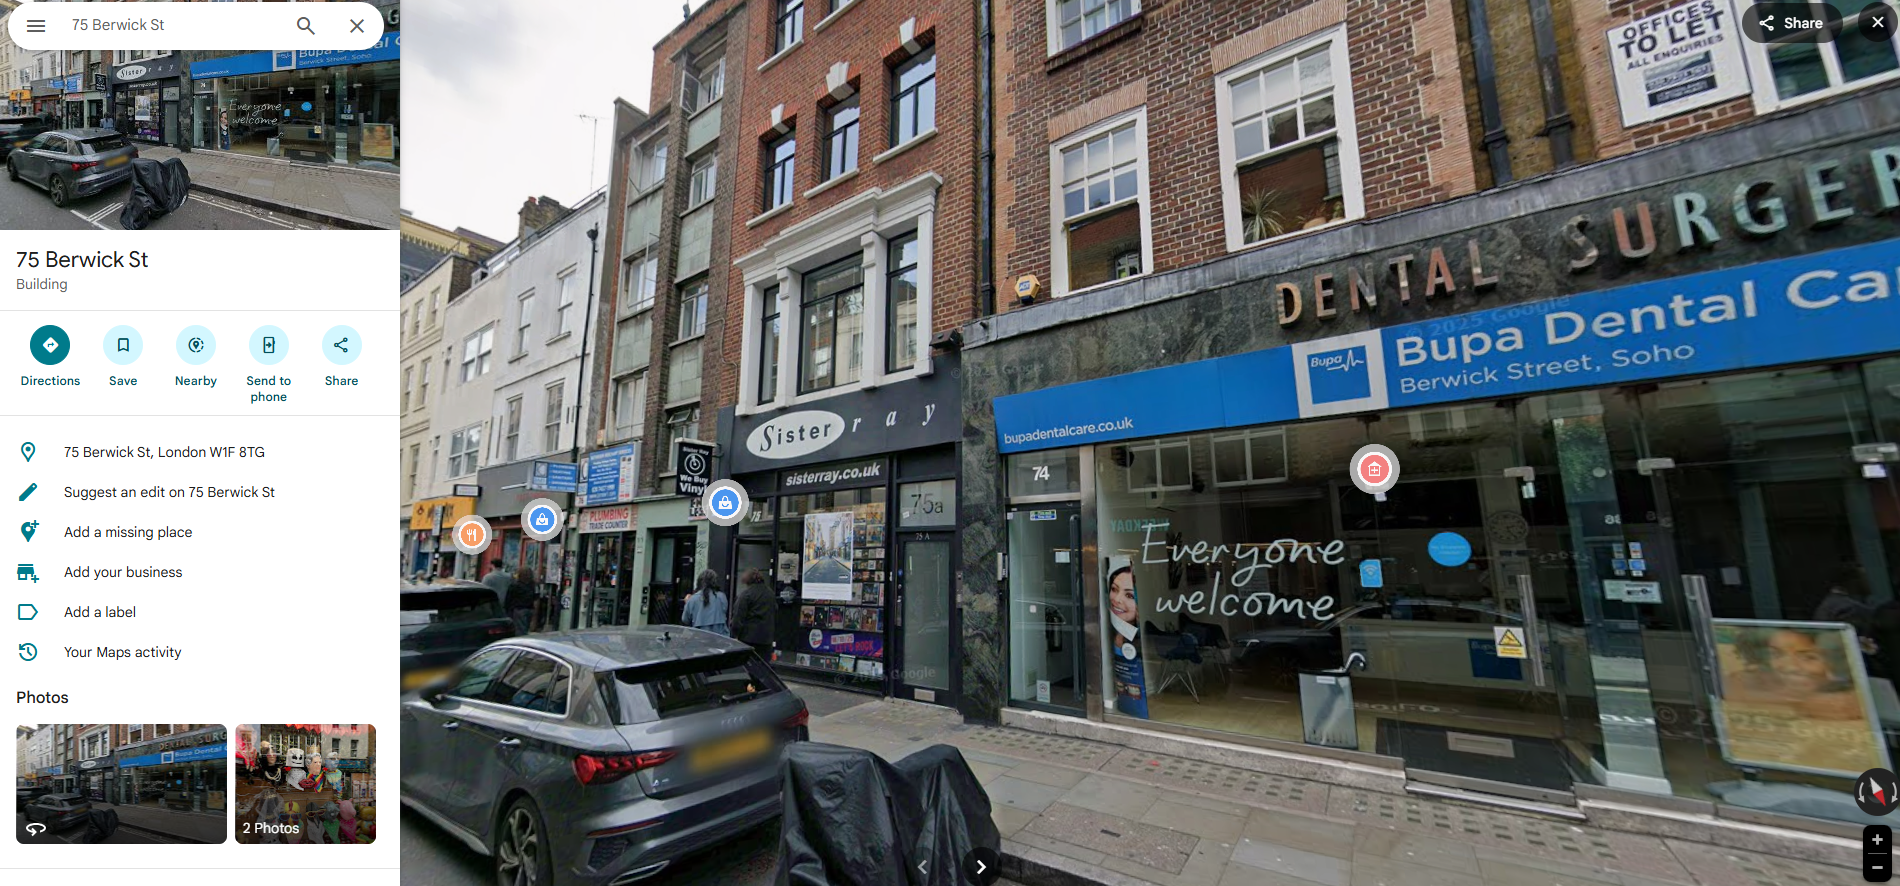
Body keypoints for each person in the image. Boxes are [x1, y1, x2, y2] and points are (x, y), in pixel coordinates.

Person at [731, 569, 776, 662]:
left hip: (749, 638)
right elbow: (775, 610)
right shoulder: (770, 593)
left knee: (749, 667)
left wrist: (734, 635)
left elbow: (738, 617)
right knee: (764, 667)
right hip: (766, 639)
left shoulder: (746, 594)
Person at [681, 568, 729, 636]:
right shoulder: (722, 597)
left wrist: (687, 603)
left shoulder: (693, 599)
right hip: (721, 637)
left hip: (699, 638)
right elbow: (724, 612)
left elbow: (685, 619)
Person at [506, 567, 536, 634]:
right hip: (529, 609)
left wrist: (508, 610)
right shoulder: (533, 585)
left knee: (519, 630)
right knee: (525, 628)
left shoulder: (515, 585)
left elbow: (509, 598)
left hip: (519, 609)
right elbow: (536, 598)